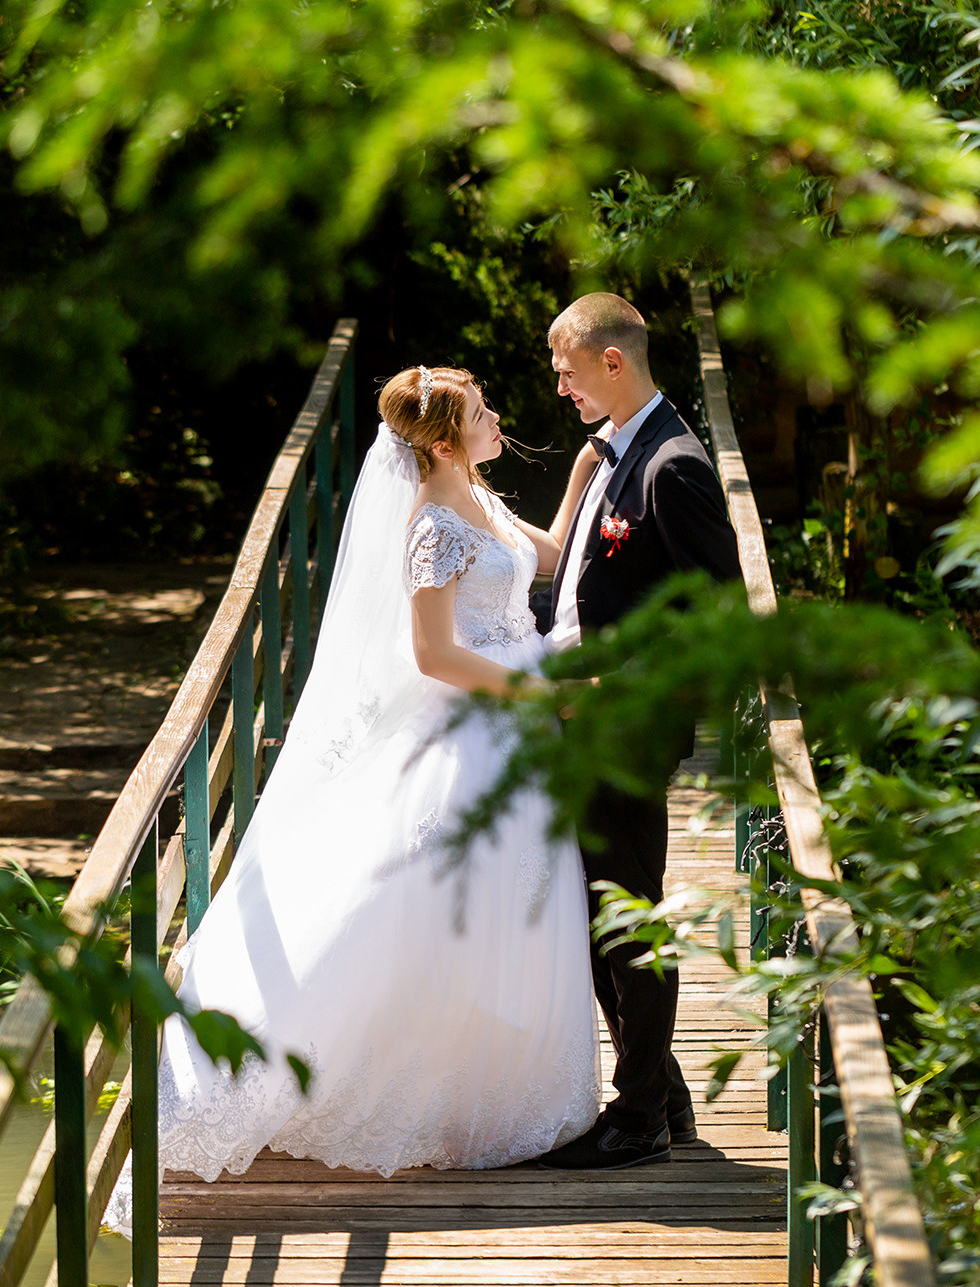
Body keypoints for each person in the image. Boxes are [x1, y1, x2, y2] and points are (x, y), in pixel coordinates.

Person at [103, 365, 606, 1237]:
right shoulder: (434, 526)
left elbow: (551, 556)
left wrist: (582, 476)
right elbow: (436, 656)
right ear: (444, 439)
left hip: (522, 723)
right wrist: (542, 698)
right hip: (480, 728)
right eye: (485, 415)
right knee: (435, 910)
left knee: (513, 914)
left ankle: (481, 1091)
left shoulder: (480, 495)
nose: (498, 423)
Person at [534, 292, 742, 1172]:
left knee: (623, 918)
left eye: (568, 372)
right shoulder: (615, 453)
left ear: (612, 362)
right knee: (592, 914)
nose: (561, 388)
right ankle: (659, 1091)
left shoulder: (674, 467)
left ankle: (640, 1117)